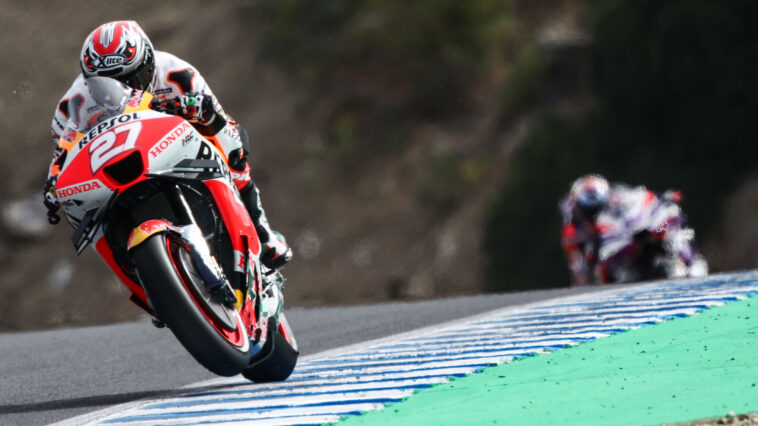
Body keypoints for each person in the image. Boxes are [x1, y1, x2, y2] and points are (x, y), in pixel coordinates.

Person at [43, 20, 292, 270]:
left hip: (171, 150)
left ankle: (263, 233)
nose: (122, 89)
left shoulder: (178, 73)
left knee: (234, 152)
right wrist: (53, 185)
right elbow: (63, 152)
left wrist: (203, 113)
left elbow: (222, 122)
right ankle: (135, 271)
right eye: (104, 84)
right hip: (115, 168)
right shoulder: (72, 105)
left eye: (132, 79)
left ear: (148, 62)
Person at [559, 174, 703, 285]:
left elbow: (642, 197)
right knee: (592, 271)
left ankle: (692, 263)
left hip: (638, 230)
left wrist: (661, 199)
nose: (594, 213)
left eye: (598, 207)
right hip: (611, 248)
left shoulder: (618, 196)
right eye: (590, 210)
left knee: (672, 224)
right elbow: (574, 257)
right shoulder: (573, 221)